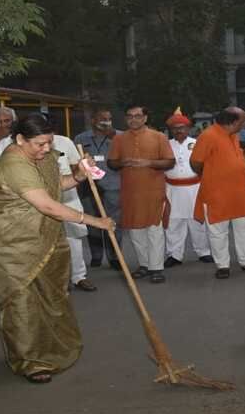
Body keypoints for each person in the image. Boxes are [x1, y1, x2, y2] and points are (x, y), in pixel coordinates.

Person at [0, 113, 115, 383]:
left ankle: (54, 349)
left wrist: (78, 174)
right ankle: (32, 361)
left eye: (50, 142)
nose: (47, 149)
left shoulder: (42, 157)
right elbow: (47, 205)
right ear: (20, 139)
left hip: (45, 238)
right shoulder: (13, 164)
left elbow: (56, 187)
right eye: (40, 144)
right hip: (10, 247)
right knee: (22, 304)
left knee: (53, 298)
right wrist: (94, 221)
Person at [190, 107, 245, 279]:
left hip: (240, 192)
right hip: (216, 192)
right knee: (218, 231)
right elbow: (195, 163)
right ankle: (222, 265)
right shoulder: (208, 135)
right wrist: (210, 175)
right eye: (243, 121)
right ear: (233, 122)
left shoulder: (234, 135)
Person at [108, 104, 175, 284]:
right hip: (130, 192)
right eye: (130, 116)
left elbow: (170, 162)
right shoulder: (119, 139)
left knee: (154, 230)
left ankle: (156, 268)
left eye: (137, 116)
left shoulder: (159, 137)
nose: (133, 119)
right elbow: (111, 163)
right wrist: (123, 162)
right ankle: (144, 265)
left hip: (154, 191)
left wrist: (148, 163)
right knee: (135, 231)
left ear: (145, 118)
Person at [75, 109, 123, 269]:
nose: (106, 122)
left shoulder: (119, 137)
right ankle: (96, 255)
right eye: (102, 119)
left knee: (113, 222)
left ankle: (115, 256)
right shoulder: (81, 138)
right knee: (92, 221)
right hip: (89, 186)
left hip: (112, 185)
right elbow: (76, 161)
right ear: (93, 120)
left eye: (109, 119)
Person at [163, 109, 212, 266]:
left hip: (194, 188)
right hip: (172, 189)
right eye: (175, 128)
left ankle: (203, 251)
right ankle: (174, 254)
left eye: (181, 127)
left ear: (188, 128)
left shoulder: (197, 143)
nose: (178, 130)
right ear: (170, 130)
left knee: (197, 221)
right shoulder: (165, 145)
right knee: (173, 223)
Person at [53, 134, 96, 292]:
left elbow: (75, 166)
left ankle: (79, 277)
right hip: (45, 196)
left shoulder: (64, 142)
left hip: (68, 194)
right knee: (51, 240)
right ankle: (59, 279)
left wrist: (82, 170)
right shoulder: (32, 145)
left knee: (74, 237)